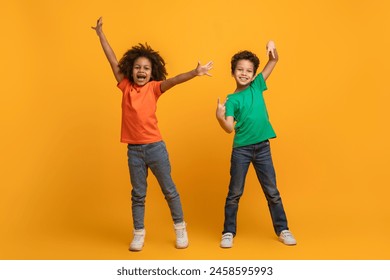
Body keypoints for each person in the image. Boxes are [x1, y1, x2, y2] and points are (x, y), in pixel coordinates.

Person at [92, 17, 213, 251]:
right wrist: (101, 35)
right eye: (137, 67)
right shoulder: (125, 86)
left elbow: (175, 80)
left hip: (155, 148)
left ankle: (180, 229)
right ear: (130, 69)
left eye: (146, 68)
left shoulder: (154, 88)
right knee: (138, 194)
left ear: (152, 72)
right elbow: (111, 59)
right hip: (134, 151)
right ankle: (139, 233)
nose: (141, 71)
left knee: (169, 189)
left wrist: (195, 72)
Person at [215, 40, 296, 248]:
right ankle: (228, 232)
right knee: (235, 192)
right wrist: (219, 116)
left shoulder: (258, 85)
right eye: (240, 70)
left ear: (253, 73)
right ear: (233, 72)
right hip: (241, 150)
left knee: (272, 191)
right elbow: (229, 128)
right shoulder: (231, 100)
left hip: (262, 148)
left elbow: (274, 60)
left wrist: (272, 46)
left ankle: (283, 229)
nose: (244, 73)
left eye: (248, 70)